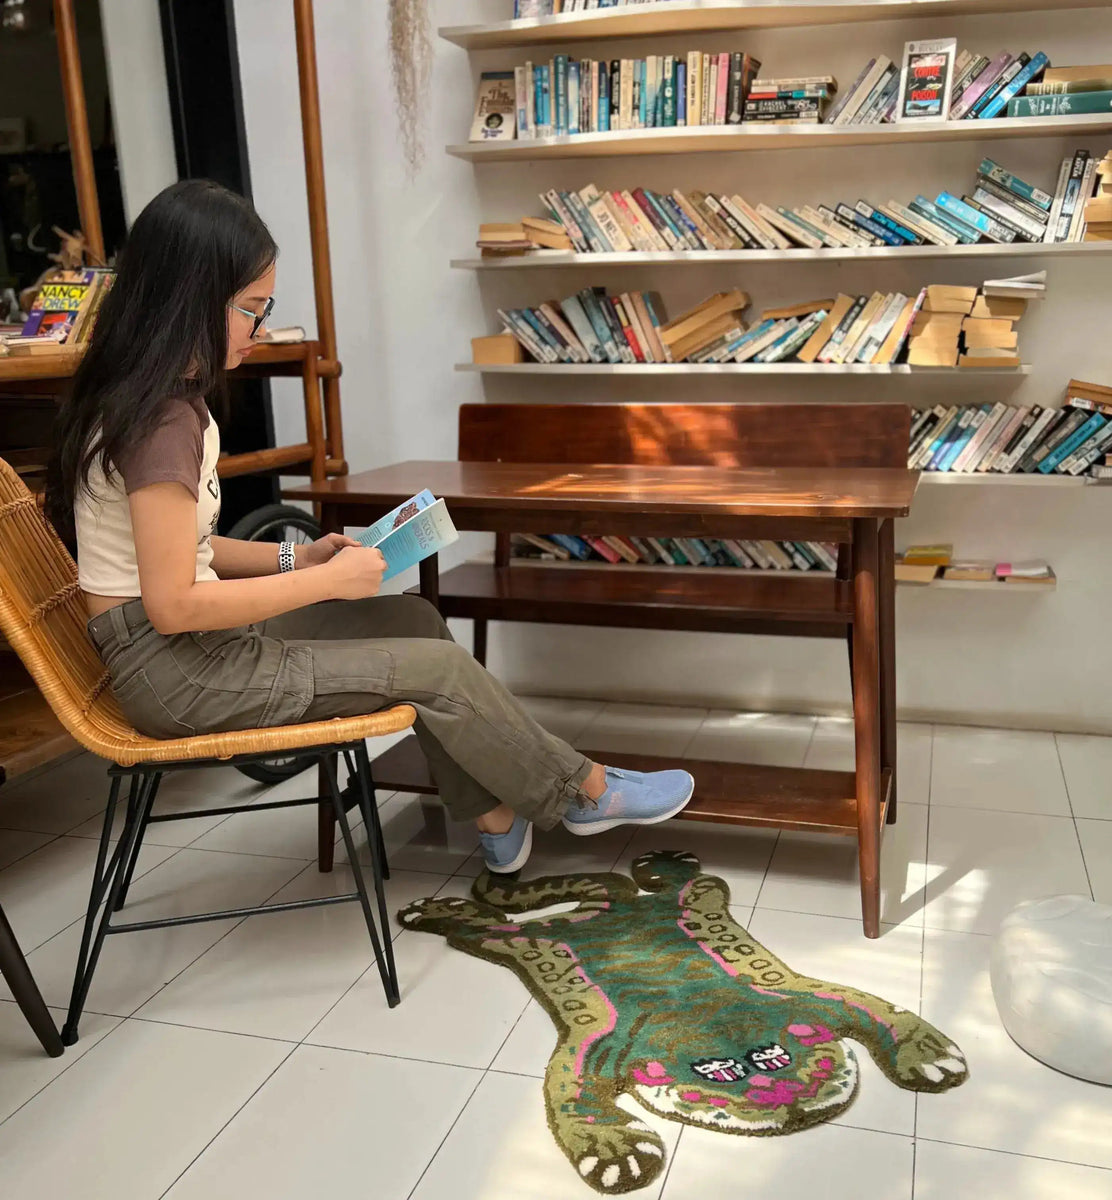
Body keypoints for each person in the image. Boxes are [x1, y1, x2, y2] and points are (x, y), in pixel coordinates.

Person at [45, 180, 694, 874]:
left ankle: (496, 815)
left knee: (414, 620)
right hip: (179, 673)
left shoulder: (156, 398)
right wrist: (325, 583)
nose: (260, 329)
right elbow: (174, 606)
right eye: (251, 310)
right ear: (191, 298)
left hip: (193, 650)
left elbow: (191, 553)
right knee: (438, 670)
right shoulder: (160, 423)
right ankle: (581, 793)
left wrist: (301, 560)